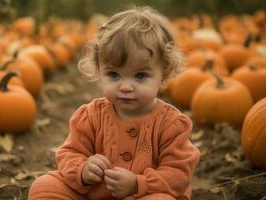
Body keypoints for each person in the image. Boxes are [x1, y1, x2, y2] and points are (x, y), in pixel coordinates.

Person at [29, 6, 200, 200]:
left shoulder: (171, 124)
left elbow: (178, 174)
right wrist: (83, 169)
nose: (125, 86)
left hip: (144, 195)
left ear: (165, 74)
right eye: (114, 74)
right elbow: (70, 152)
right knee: (44, 186)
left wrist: (138, 184)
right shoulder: (91, 115)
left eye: (140, 76)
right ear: (99, 72)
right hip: (94, 193)